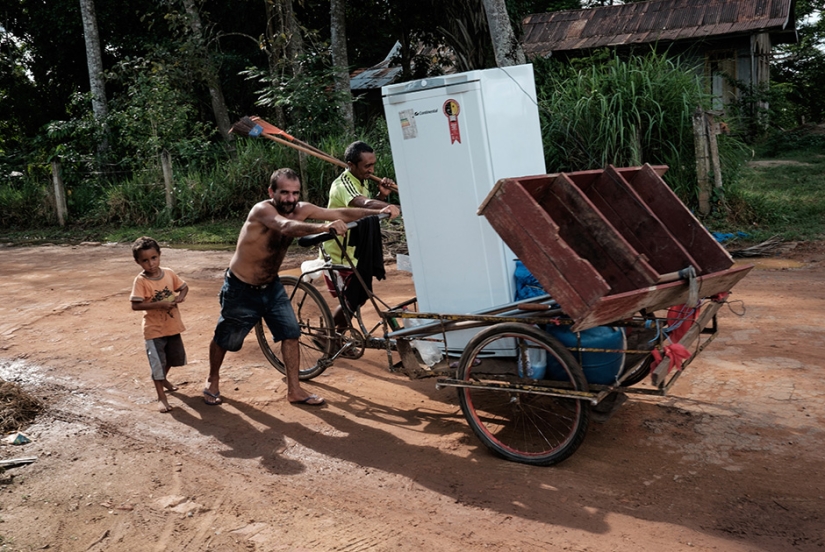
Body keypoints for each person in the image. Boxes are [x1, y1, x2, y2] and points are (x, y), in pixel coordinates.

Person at [205, 168, 399, 406]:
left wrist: (379, 209)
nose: (290, 199)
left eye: (295, 193)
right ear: (271, 192)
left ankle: (294, 390)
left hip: (271, 285)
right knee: (226, 339)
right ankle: (212, 379)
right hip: (241, 287)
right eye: (284, 193)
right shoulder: (262, 210)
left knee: (291, 334)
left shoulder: (301, 209)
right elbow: (285, 226)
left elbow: (339, 212)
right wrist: (321, 228)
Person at [323, 141, 400, 329]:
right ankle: (328, 335)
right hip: (338, 252)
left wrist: (382, 196)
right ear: (351, 165)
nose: (371, 170)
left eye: (373, 164)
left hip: (354, 250)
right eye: (367, 166)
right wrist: (392, 207)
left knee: (359, 296)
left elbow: (366, 207)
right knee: (353, 299)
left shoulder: (361, 181)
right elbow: (363, 204)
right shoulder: (343, 184)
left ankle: (335, 334)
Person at [130, 236, 189, 413]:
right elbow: (135, 305)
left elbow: (184, 286)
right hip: (153, 330)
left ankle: (163, 379)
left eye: (154, 258)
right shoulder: (141, 281)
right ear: (138, 262)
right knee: (157, 363)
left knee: (173, 358)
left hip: (172, 326)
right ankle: (161, 396)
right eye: (145, 261)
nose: (151, 264)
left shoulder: (169, 273)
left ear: (159, 255)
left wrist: (181, 296)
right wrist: (159, 305)